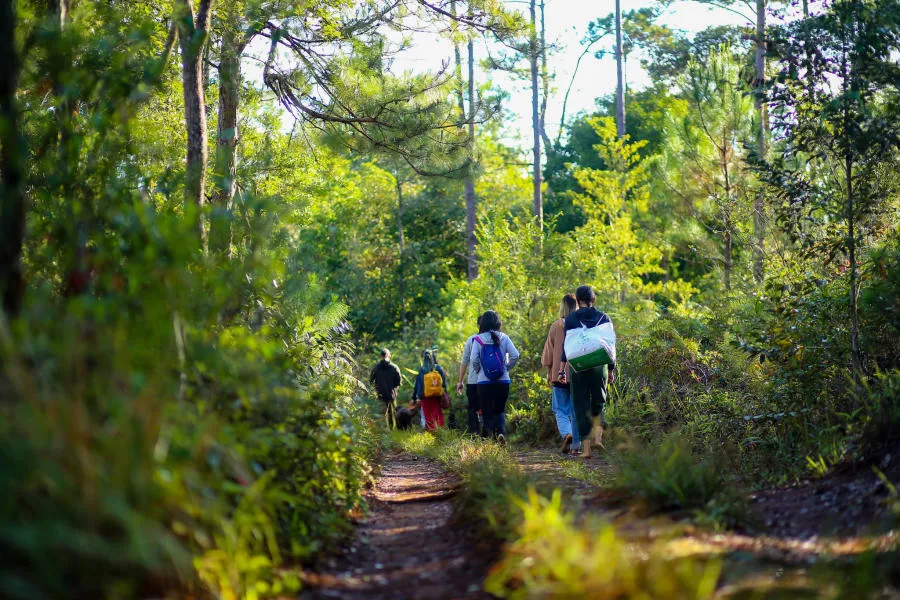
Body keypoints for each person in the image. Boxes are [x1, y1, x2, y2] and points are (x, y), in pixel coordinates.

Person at [558, 285, 616, 459]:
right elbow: (611, 346)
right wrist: (611, 369)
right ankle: (598, 439)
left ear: (577, 300)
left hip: (579, 365)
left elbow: (566, 347)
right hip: (600, 365)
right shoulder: (604, 317)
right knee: (599, 400)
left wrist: (562, 370)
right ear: (594, 299)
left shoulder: (571, 319)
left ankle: (587, 450)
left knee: (581, 405)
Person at [471, 310, 520, 444]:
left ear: (482, 323)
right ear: (498, 322)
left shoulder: (478, 339)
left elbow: (474, 359)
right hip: (503, 381)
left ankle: (489, 440)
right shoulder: (504, 337)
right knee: (499, 410)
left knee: (486, 412)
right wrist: (506, 368)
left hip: (484, 382)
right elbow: (515, 355)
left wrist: (479, 371)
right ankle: (501, 433)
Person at [542, 294, 581, 454]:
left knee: (560, 410)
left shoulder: (557, 326)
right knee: (575, 410)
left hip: (559, 373)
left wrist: (548, 370)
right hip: (578, 373)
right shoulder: (581, 325)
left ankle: (567, 434)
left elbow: (549, 353)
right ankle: (576, 447)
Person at [456, 315, 484, 435]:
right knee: (489, 408)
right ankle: (489, 434)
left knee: (473, 409)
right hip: (492, 380)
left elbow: (465, 361)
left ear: (478, 325)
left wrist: (460, 381)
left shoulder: (472, 339)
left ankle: (474, 433)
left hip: (473, 381)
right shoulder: (497, 338)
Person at [412, 348, 449, 430]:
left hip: (426, 396)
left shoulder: (422, 369)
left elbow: (418, 385)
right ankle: (440, 432)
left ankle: (431, 433)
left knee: (428, 415)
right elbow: (443, 383)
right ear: (433, 357)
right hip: (437, 395)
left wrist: (415, 397)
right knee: (438, 413)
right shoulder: (438, 368)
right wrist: (445, 393)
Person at [370, 348, 402, 429]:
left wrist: (376, 388)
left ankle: (383, 432)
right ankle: (392, 430)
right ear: (389, 356)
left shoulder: (376, 368)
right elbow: (398, 382)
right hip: (392, 395)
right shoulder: (394, 367)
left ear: (380, 356)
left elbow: (371, 381)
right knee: (393, 414)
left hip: (380, 395)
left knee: (381, 415)